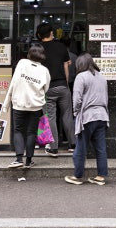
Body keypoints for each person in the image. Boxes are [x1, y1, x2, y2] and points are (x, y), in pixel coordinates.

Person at [1, 43, 51, 168]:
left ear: (29, 54)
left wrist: (6, 104)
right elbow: (46, 89)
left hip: (19, 103)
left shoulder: (22, 63)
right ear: (42, 56)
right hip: (35, 105)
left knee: (18, 130)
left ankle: (18, 159)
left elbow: (13, 83)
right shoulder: (45, 71)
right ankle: (29, 161)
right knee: (31, 132)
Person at [65, 53, 110, 186]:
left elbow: (77, 98)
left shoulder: (81, 76)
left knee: (81, 147)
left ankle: (78, 176)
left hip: (87, 117)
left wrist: (75, 112)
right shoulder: (101, 76)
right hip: (102, 116)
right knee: (101, 148)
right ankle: (101, 176)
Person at [36, 23, 76, 156]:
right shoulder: (61, 46)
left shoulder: (37, 49)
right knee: (67, 115)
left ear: (39, 35)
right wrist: (65, 83)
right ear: (51, 33)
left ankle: (53, 148)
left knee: (50, 117)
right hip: (62, 86)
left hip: (47, 88)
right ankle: (73, 144)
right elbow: (66, 67)